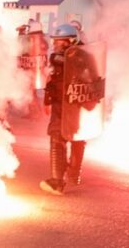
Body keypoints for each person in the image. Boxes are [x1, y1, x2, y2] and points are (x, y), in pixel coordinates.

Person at [40, 23, 88, 195]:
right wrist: (46, 101)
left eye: (59, 42)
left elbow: (89, 78)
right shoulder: (60, 57)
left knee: (63, 137)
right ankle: (69, 176)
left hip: (72, 104)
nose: (55, 45)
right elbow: (51, 81)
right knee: (65, 136)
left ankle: (59, 181)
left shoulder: (82, 56)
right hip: (61, 103)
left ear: (70, 41)